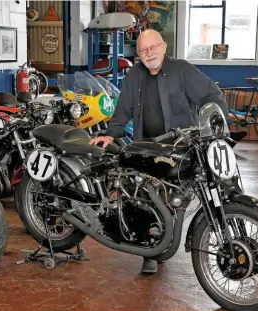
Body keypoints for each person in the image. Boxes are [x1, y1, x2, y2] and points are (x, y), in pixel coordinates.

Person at [89, 29, 229, 275]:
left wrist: (215, 123)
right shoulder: (135, 75)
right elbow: (124, 108)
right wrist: (111, 133)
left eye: (153, 47)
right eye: (143, 50)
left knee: (179, 198)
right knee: (147, 197)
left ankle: (207, 229)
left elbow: (211, 95)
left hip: (181, 149)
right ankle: (150, 252)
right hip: (148, 148)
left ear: (163, 47)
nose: (148, 53)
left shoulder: (182, 69)